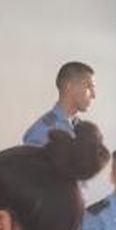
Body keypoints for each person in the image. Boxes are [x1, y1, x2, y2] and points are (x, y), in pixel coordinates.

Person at [23, 61, 99, 204]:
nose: (94, 95)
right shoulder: (43, 131)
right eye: (89, 87)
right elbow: (35, 187)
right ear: (70, 87)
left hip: (78, 212)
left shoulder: (81, 129)